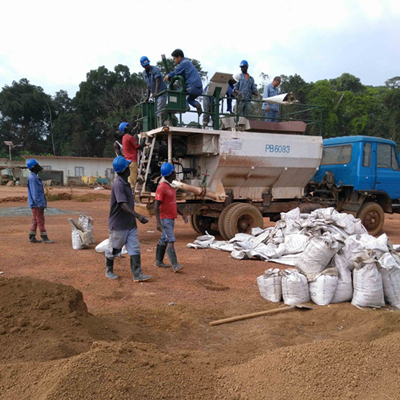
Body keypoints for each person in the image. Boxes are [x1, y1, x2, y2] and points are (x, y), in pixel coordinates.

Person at [105, 156, 152, 282]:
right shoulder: (118, 185)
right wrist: (138, 216)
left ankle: (137, 274)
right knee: (114, 249)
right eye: (128, 167)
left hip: (130, 224)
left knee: (135, 248)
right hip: (119, 225)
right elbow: (123, 204)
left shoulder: (126, 183)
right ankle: (109, 270)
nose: (130, 168)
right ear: (125, 170)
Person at [154, 162, 188, 272]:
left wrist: (182, 213)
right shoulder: (161, 188)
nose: (175, 173)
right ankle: (175, 265)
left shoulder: (170, 187)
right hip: (165, 219)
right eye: (173, 171)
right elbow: (156, 205)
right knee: (170, 240)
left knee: (164, 239)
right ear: (170, 174)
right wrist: (158, 222)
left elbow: (172, 203)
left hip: (171, 218)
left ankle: (158, 261)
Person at [163, 49, 203, 116]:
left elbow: (175, 72)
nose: (174, 60)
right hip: (199, 88)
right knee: (190, 100)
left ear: (179, 57)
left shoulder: (184, 63)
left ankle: (185, 107)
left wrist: (168, 75)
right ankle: (197, 104)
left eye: (175, 58)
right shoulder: (188, 62)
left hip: (192, 86)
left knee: (179, 92)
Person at [26, 159, 54, 244]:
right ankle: (44, 237)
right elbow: (35, 194)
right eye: (37, 165)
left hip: (36, 204)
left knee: (35, 220)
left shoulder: (34, 177)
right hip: (36, 204)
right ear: (34, 167)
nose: (39, 166)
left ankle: (32, 236)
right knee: (40, 220)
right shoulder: (33, 179)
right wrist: (40, 204)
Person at [119, 122, 145, 193]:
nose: (130, 127)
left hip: (127, 161)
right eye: (128, 126)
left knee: (130, 179)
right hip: (132, 161)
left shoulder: (124, 138)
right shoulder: (129, 137)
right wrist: (144, 139)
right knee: (132, 182)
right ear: (125, 128)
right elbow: (139, 147)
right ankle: (131, 198)